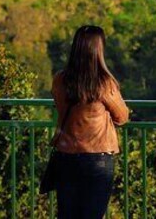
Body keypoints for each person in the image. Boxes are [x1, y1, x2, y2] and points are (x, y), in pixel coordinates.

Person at [51, 25, 130, 219]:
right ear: (98, 50)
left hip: (66, 156)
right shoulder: (104, 83)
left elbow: (60, 106)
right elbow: (122, 117)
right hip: (97, 160)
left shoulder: (61, 80)